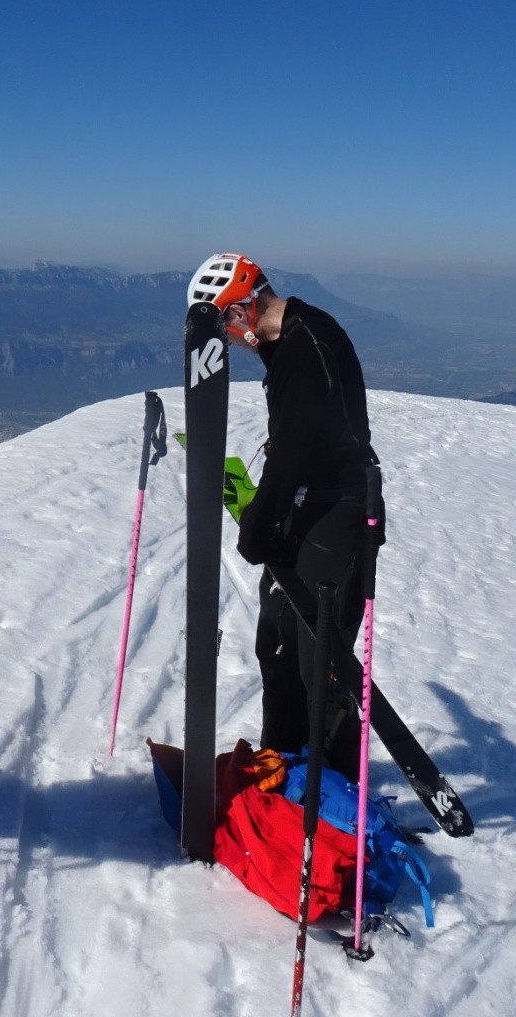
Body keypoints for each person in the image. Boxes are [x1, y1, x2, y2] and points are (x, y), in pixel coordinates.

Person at [186, 252, 382, 779]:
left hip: (338, 512)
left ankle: (332, 789)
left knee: (321, 665)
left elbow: (294, 450)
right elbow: (296, 443)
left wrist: (258, 525)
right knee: (278, 646)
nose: (231, 341)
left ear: (241, 310)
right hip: (306, 507)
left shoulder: (305, 347)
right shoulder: (288, 340)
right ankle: (283, 768)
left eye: (226, 328)